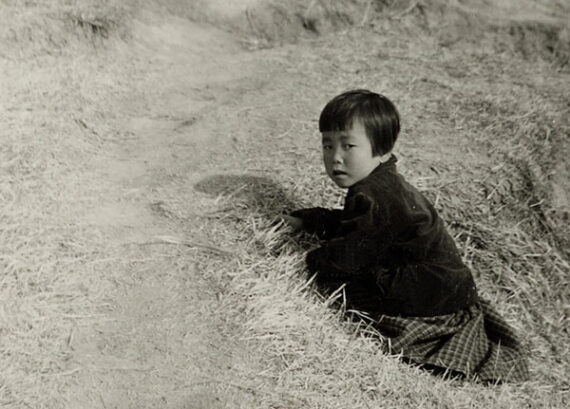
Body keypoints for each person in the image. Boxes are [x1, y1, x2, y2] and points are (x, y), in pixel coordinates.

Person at [282, 89, 529, 383]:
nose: (335, 158)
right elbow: (355, 227)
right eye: (327, 146)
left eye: (348, 146)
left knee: (334, 285)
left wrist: (304, 261)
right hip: (442, 286)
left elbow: (348, 256)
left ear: (382, 149)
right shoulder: (379, 183)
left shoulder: (378, 194)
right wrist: (311, 220)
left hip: (429, 297)